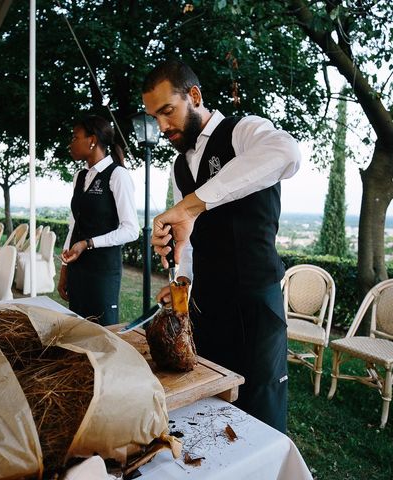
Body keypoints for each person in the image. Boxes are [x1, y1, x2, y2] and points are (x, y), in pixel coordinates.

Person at [142, 59, 301, 433]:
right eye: (155, 117)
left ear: (194, 96)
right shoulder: (179, 167)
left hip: (254, 305)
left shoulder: (244, 131)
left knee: (259, 413)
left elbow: (287, 154)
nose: (162, 126)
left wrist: (189, 205)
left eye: (168, 111)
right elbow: (192, 236)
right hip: (204, 305)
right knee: (207, 405)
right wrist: (182, 278)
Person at [58, 115, 140, 326]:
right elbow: (74, 224)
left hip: (102, 273)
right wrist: (65, 269)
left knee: (102, 335)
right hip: (77, 271)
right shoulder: (80, 176)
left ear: (92, 140)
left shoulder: (117, 175)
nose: (71, 143)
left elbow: (131, 230)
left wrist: (89, 243)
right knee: (77, 332)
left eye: (75, 137)